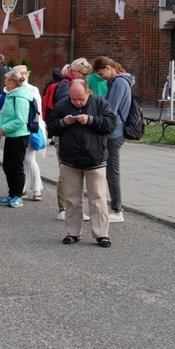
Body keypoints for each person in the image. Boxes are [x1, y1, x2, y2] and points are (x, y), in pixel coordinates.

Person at [47, 79, 116, 248]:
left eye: (81, 99)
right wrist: (64, 122)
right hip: (70, 159)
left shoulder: (101, 103)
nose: (77, 102)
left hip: (95, 157)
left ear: (89, 93)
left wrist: (91, 120)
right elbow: (51, 127)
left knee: (98, 198)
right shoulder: (62, 105)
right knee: (72, 199)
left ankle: (101, 234)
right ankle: (72, 232)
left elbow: (111, 125)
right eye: (73, 99)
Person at [50, 57, 92, 221]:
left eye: (87, 74)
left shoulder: (80, 85)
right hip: (65, 134)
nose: (85, 77)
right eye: (83, 74)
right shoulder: (64, 86)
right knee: (65, 171)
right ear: (74, 71)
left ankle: (76, 208)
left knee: (78, 172)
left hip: (79, 133)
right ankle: (63, 207)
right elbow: (62, 108)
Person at [93, 56, 135, 224]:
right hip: (115, 131)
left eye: (101, 73)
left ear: (108, 68)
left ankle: (117, 210)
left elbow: (110, 108)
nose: (101, 77)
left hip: (114, 132)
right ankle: (112, 207)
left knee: (112, 173)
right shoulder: (121, 81)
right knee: (110, 171)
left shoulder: (118, 83)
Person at [0, 70, 32, 208]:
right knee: (8, 166)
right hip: (10, 135)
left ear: (12, 82)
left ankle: (18, 196)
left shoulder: (20, 97)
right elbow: (3, 114)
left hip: (20, 136)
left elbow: (21, 120)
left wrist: (3, 129)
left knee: (16, 167)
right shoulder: (10, 95)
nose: (5, 82)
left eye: (7, 80)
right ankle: (11, 194)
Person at [13, 65, 44, 201]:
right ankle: (24, 187)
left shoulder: (31, 89)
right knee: (22, 160)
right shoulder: (13, 89)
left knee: (29, 159)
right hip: (20, 128)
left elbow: (36, 110)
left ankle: (37, 189)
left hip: (31, 128)